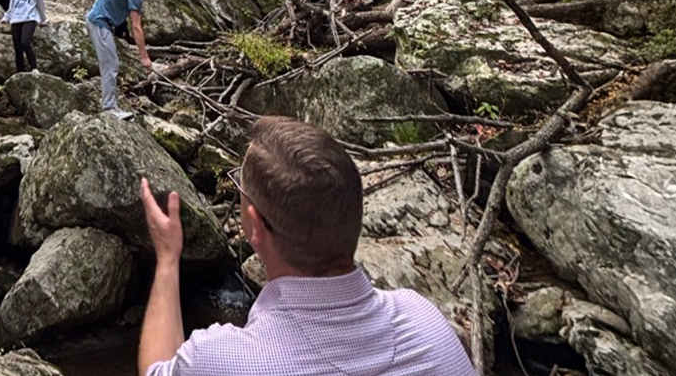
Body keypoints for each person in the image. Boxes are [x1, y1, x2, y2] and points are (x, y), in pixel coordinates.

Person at [138, 116, 477, 376]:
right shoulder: (425, 321)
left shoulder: (221, 359)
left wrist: (168, 258)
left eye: (240, 187)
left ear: (255, 226)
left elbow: (155, 370)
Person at [84, 0, 158, 119]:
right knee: (110, 65)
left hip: (101, 22)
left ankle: (109, 104)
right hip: (99, 23)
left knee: (111, 64)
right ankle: (109, 108)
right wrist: (144, 57)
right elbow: (136, 27)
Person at [0, 0, 48, 74]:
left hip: (29, 18)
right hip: (16, 18)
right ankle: (20, 71)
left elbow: (40, 5)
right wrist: (6, 17)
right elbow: (12, 4)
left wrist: (43, 19)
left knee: (25, 42)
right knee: (17, 47)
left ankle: (34, 67)